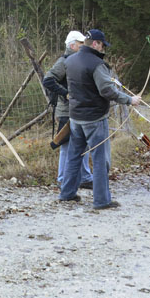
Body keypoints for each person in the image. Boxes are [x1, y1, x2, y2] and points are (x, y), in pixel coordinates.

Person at [58, 29, 141, 209]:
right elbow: (107, 91)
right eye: (102, 45)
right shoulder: (97, 64)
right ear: (95, 43)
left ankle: (67, 193)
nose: (104, 49)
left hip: (75, 117)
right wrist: (129, 100)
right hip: (94, 118)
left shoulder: (70, 60)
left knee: (74, 156)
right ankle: (102, 200)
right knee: (100, 159)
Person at [42, 30, 93, 189]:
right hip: (66, 111)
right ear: (72, 45)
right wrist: (66, 93)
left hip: (79, 108)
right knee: (65, 143)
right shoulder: (64, 61)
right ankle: (62, 179)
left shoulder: (79, 61)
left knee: (83, 143)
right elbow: (48, 80)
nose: (83, 47)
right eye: (80, 44)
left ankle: (85, 177)